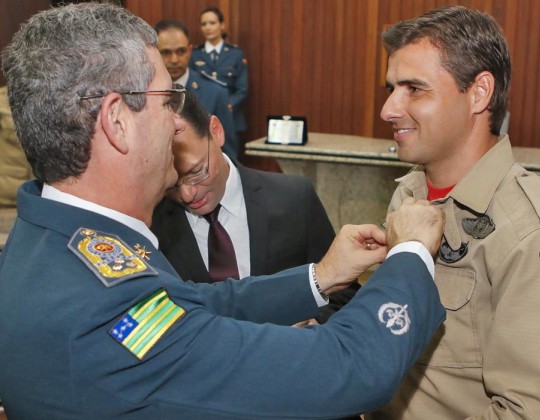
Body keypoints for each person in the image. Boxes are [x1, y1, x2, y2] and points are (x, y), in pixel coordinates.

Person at [0, 3, 447, 418]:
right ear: (118, 121)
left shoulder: (51, 238)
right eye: (168, 99)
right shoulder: (106, 305)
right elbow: (349, 367)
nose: (177, 121)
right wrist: (409, 253)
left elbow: (192, 303)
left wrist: (322, 276)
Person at [369, 6, 540, 419]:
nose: (388, 109)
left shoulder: (538, 237)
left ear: (479, 93)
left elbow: (532, 413)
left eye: (414, 89)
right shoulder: (409, 196)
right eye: (391, 89)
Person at [151, 91, 358, 324]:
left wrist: (314, 325)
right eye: (171, 183)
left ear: (216, 131)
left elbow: (344, 294)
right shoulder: (151, 222)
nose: (187, 194)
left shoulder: (294, 199)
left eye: (197, 172)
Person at [154, 19, 239, 160]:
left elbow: (228, 156)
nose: (174, 60)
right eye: (166, 52)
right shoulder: (141, 92)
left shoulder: (215, 93)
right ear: (154, 52)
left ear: (190, 50)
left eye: (181, 51)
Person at [190, 6, 248, 150]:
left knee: (230, 159)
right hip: (202, 116)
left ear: (222, 25)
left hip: (230, 116)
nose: (207, 27)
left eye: (212, 23)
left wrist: (228, 105)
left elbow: (242, 89)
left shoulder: (235, 54)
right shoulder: (194, 54)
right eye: (204, 24)